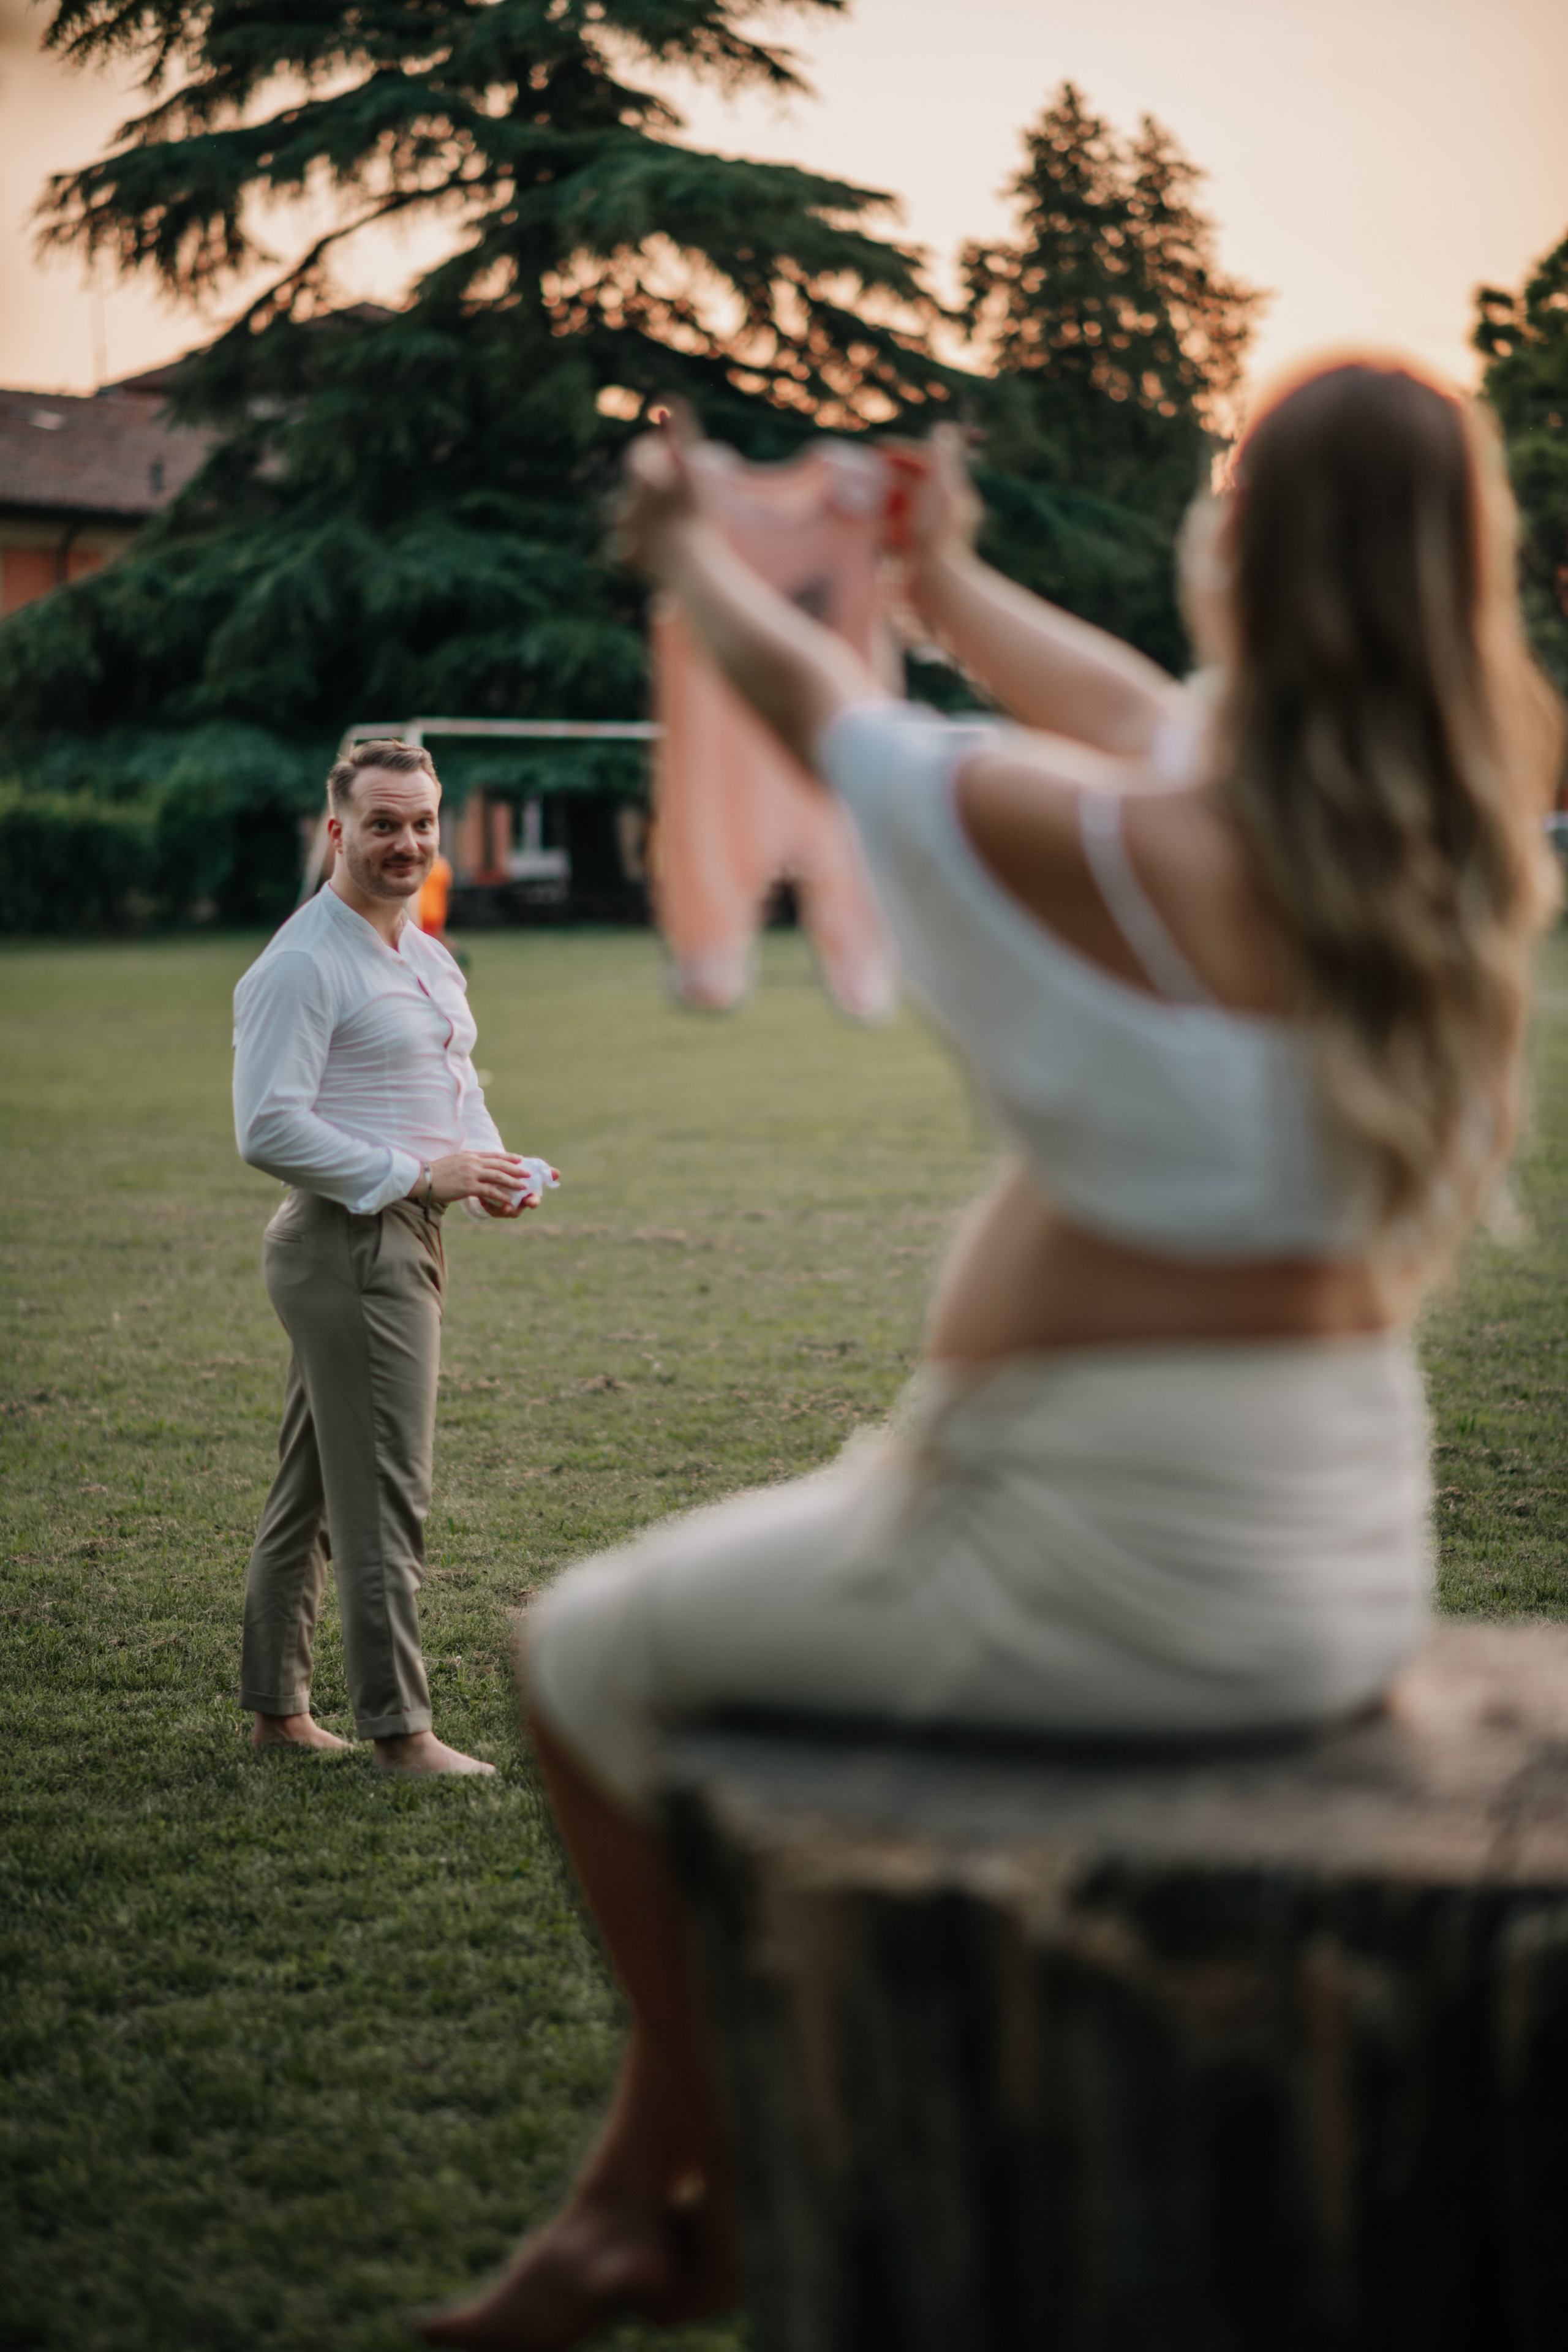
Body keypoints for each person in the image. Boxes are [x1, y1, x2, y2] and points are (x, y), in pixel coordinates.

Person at [417, 363, 1561, 2343]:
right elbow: (1136, 709)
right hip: (1338, 1553)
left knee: (576, 1652)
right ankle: (625, 2200)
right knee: (659, 1629)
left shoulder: (1118, 849)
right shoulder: (1424, 852)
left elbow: (842, 730)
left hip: (1096, 1552)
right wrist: (948, 582)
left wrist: (690, 551)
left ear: (1240, 549)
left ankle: (721, 2174)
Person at [234, 739, 557, 1777]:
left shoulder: (422, 948)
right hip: (351, 1245)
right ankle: (399, 1732)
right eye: (383, 823)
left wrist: (493, 1169)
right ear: (338, 831)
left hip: (400, 1235)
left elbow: (451, 1080)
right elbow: (267, 1129)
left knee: (316, 1491)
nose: (407, 841)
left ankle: (280, 1714)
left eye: (422, 821)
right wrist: (423, 1178)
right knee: (383, 1494)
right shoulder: (301, 962)